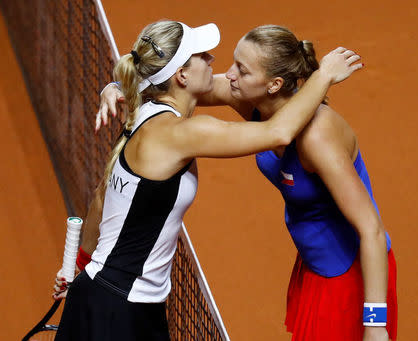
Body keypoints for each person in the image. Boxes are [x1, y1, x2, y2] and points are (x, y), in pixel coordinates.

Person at [52, 20, 361, 341]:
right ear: (181, 75)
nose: (213, 62)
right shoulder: (183, 133)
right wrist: (324, 75)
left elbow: (102, 197)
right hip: (118, 309)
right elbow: (279, 131)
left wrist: (82, 266)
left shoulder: (145, 110)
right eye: (202, 56)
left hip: (107, 294)